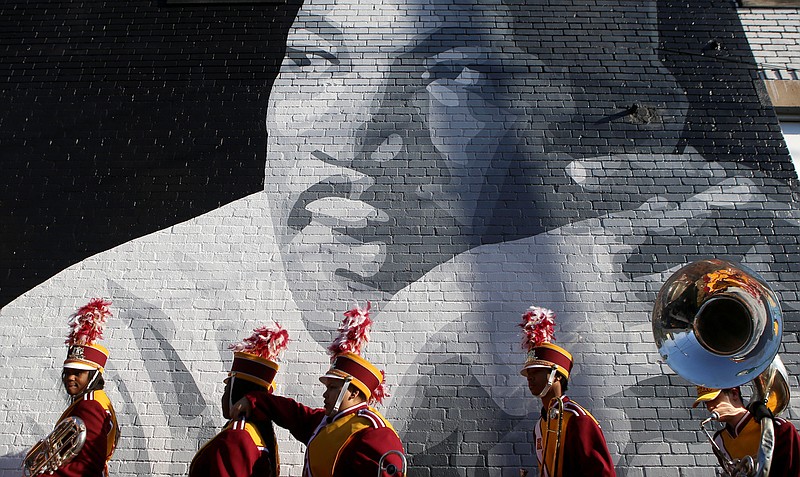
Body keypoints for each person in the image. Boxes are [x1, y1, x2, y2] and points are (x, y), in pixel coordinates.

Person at [231, 303, 405, 477]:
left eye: (332, 388)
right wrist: (254, 400)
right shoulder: (328, 420)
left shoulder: (374, 431)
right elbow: (293, 413)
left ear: (353, 392)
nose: (325, 394)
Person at [519, 306, 616, 477]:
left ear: (555, 376)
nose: (529, 377)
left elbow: (603, 473)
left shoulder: (578, 419)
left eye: (536, 372)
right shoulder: (539, 426)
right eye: (528, 372)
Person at [189, 323, 289, 477]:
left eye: (226, 389)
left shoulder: (238, 436)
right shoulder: (253, 432)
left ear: (237, 393)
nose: (223, 397)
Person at [40, 298, 120, 477]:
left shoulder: (90, 405)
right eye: (68, 372)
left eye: (78, 373)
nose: (71, 378)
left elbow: (85, 466)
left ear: (93, 376)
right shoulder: (97, 400)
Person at [693, 386, 800, 476]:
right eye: (706, 403)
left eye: (713, 399)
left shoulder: (779, 429)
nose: (710, 407)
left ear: (734, 393)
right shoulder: (719, 441)